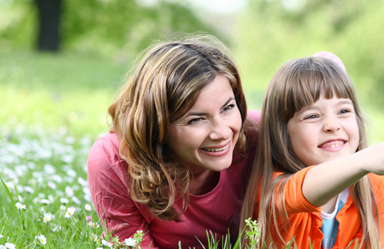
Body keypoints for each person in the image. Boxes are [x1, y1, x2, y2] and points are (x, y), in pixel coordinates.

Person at [87, 35, 260, 249]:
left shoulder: (258, 134)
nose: (223, 133)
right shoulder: (114, 159)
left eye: (227, 108)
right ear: (157, 125)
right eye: (196, 119)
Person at [240, 56, 384, 249]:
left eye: (343, 111)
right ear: (282, 132)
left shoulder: (379, 189)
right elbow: (305, 190)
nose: (332, 125)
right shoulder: (272, 191)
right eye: (312, 116)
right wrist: (363, 160)